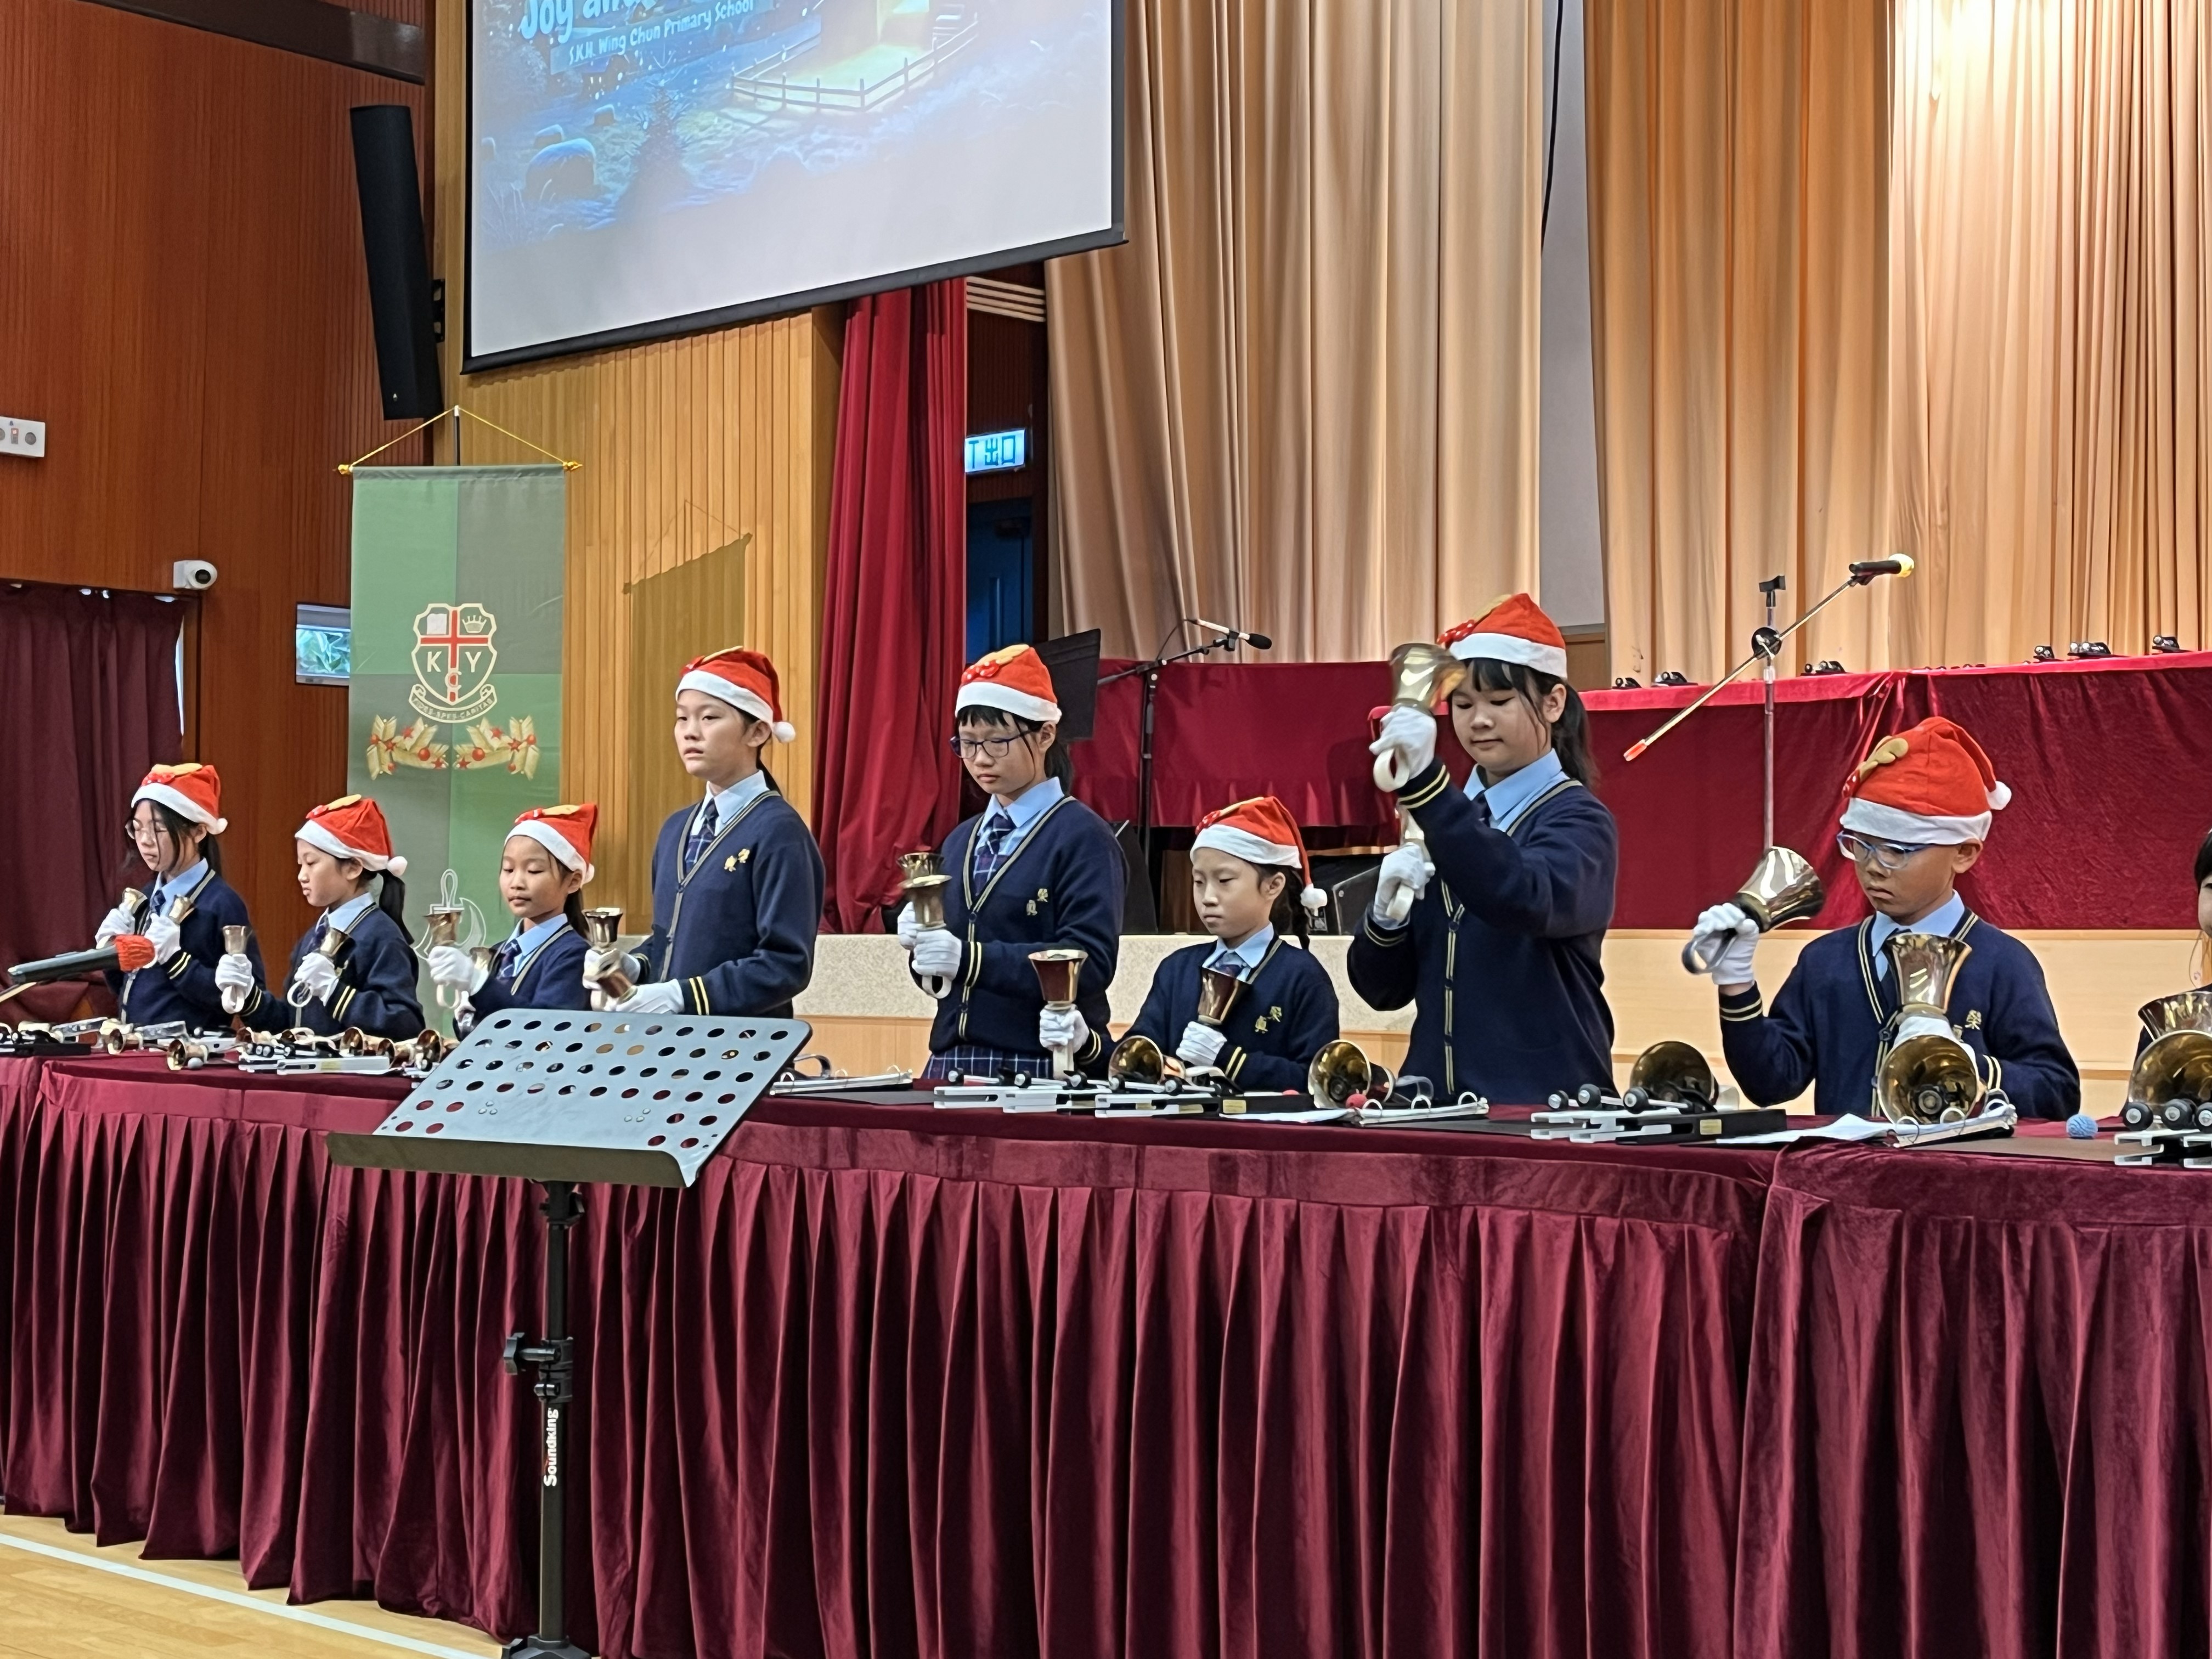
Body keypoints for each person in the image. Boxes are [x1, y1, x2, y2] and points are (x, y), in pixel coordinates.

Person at [1695, 715, 2079, 1119]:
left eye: (1896, 850)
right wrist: (1737, 983)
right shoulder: (1825, 960)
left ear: (1964, 853)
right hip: (1844, 1161)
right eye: (1860, 845)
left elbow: (2058, 1092)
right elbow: (1770, 1083)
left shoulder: (2003, 962)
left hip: (1954, 1161)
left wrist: (1967, 1064)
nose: (1873, 867)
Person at [1349, 594, 1617, 1104]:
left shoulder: (1580, 820)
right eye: (1464, 705)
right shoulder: (1446, 817)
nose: (1478, 721)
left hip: (1542, 1104)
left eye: (1499, 701)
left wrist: (1428, 786)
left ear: (1554, 703)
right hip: (1431, 1104)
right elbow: (1383, 991)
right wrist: (1384, 922)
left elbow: (1519, 895)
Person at [904, 643, 1124, 1080]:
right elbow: (947, 975)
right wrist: (923, 949)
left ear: (1044, 735)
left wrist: (967, 958)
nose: (980, 759)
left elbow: (1091, 963)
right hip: (950, 1059)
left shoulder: (1083, 837)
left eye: (997, 742)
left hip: (1036, 1061)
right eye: (968, 744)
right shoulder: (960, 840)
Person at [585, 648, 822, 1017]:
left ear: (758, 731)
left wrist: (684, 997)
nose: (690, 732)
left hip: (741, 1045)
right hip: (670, 1043)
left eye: (709, 717)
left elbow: (786, 964)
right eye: (682, 718)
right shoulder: (675, 829)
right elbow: (670, 941)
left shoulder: (779, 831)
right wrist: (636, 967)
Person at [1119, 794, 1339, 1090]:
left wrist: (1230, 1060)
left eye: (1224, 881)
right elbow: (1140, 1054)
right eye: (1199, 882)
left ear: (1273, 886)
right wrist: (1088, 1045)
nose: (1208, 897)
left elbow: (1318, 1079)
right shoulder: (1176, 970)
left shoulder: (1302, 976)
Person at [227, 794, 424, 1039]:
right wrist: (248, 995)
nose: (302, 876)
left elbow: (406, 1025)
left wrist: (334, 991)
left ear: (353, 867)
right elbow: (292, 1023)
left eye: (311, 863)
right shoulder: (316, 934)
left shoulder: (382, 937)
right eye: (301, 864)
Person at [98, 763, 264, 1030]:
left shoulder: (221, 904)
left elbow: (241, 999)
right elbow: (131, 990)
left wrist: (177, 961)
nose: (145, 840)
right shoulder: (146, 898)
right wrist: (111, 957)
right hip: (138, 1044)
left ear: (198, 831)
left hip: (188, 1048)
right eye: (137, 828)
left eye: (158, 829)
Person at [427, 803, 595, 1025]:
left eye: (534, 870)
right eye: (508, 869)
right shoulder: (500, 952)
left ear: (573, 882)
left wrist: (478, 984)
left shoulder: (574, 955)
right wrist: (466, 1011)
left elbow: (544, 1030)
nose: (516, 883)